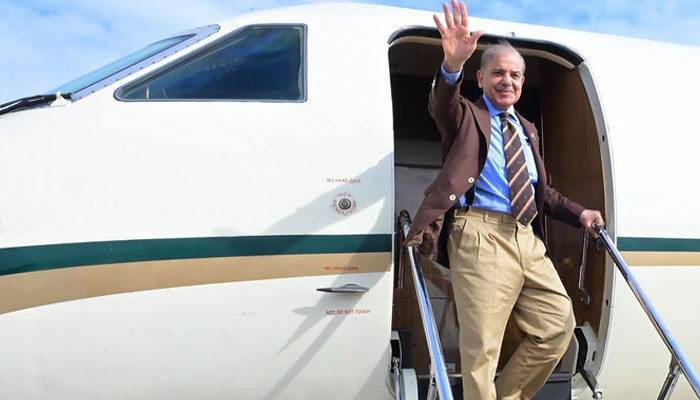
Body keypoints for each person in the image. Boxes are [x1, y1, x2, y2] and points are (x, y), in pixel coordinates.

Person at [403, 1, 605, 399]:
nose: (506, 81)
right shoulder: (466, 117)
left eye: (514, 75)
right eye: (497, 73)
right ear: (481, 78)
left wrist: (580, 212)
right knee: (482, 350)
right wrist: (451, 66)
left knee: (557, 327)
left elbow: (540, 192)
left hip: (526, 238)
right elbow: (441, 105)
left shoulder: (526, 129)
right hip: (480, 233)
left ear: (522, 82)